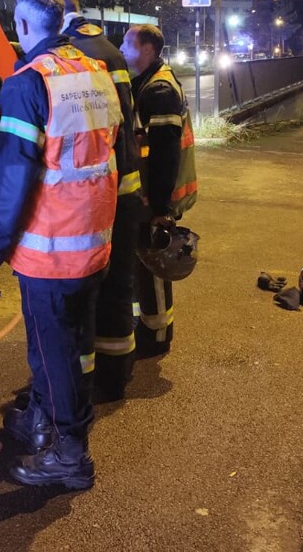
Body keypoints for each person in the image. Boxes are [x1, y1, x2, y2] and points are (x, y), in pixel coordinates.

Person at [0, 0, 122, 490]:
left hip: (50, 245)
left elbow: (12, 178)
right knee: (72, 340)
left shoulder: (28, 82)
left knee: (50, 349)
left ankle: (68, 451)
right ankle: (42, 415)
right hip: (93, 237)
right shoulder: (94, 71)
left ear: (21, 27)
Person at [50, 0, 145, 402]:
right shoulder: (111, 50)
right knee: (119, 284)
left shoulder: (71, 54)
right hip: (125, 185)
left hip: (91, 191)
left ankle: (82, 384)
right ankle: (117, 371)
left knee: (85, 292)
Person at [120, 23, 198, 358]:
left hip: (157, 195)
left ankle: (156, 335)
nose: (121, 49)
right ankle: (153, 327)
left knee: (153, 264)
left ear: (147, 49)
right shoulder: (149, 83)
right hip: (153, 192)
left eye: (127, 43)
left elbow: (165, 154)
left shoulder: (159, 90)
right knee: (146, 263)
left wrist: (161, 207)